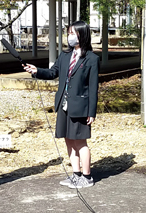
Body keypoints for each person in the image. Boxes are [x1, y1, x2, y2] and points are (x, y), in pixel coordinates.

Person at [23, 21, 100, 189]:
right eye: (69, 33)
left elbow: (93, 87)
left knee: (80, 142)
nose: (70, 36)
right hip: (63, 105)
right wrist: (37, 71)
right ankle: (76, 174)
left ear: (82, 35)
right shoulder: (65, 56)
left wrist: (91, 112)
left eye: (73, 33)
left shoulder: (92, 59)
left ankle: (87, 177)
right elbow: (53, 72)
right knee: (68, 140)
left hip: (80, 107)